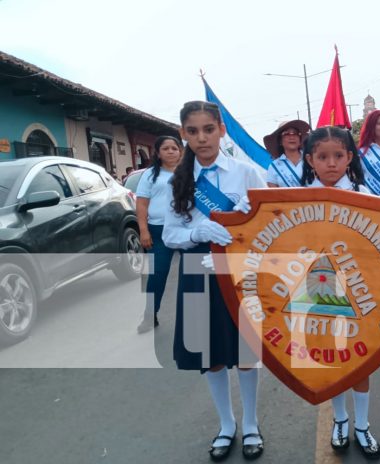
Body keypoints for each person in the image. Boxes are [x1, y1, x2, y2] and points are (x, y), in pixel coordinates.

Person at [163, 101, 267, 461]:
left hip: (239, 270)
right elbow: (169, 236)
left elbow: (267, 225)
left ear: (221, 129)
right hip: (197, 269)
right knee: (211, 356)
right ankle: (226, 424)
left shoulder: (246, 173)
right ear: (183, 134)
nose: (201, 138)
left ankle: (251, 424)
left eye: (208, 129)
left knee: (246, 352)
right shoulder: (177, 179)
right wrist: (196, 231)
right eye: (192, 131)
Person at [300, 126, 380, 460]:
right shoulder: (299, 197)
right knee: (328, 356)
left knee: (361, 360)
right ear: (310, 160)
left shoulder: (365, 192)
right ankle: (341, 420)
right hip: (320, 286)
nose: (331, 163)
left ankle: (362, 424)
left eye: (338, 156)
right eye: (322, 157)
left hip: (360, 285)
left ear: (349, 157)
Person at [136, 135, 183, 333]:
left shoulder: (190, 172)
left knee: (195, 273)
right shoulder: (150, 175)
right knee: (157, 274)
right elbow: (142, 203)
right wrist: (144, 230)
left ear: (180, 151)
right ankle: (150, 316)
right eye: (166, 148)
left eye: (175, 148)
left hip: (186, 230)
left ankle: (199, 315)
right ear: (158, 152)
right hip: (158, 230)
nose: (171, 151)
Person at [263, 120, 311, 187]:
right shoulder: (274, 167)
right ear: (280, 141)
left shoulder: (311, 160)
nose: (292, 137)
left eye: (295, 133)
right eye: (286, 134)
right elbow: (273, 195)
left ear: (300, 140)